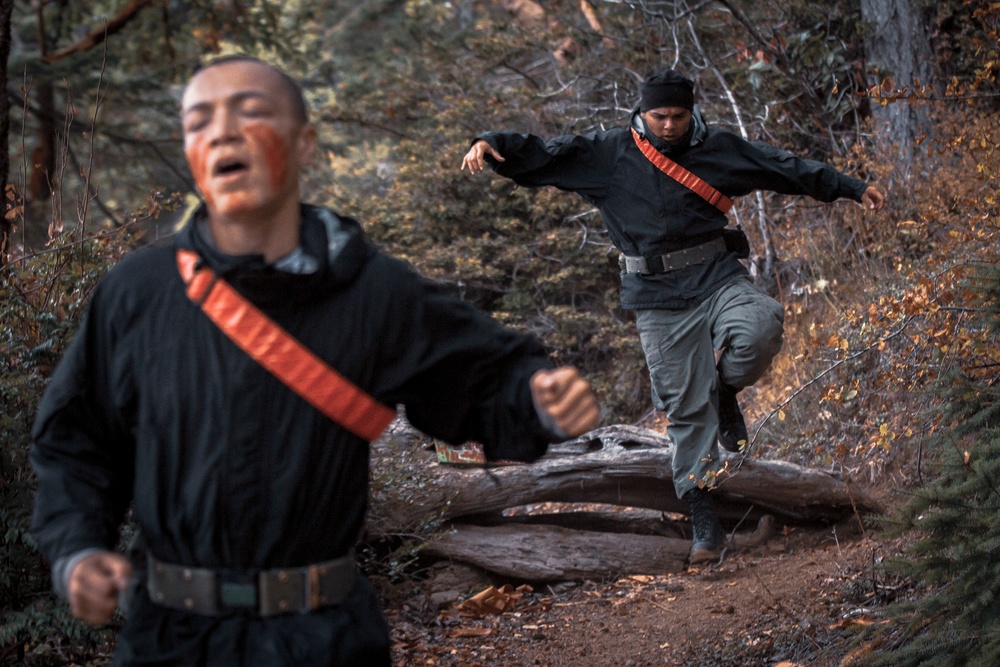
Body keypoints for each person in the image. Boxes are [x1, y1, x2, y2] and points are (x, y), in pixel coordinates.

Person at [29, 55, 600, 667]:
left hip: (321, 638)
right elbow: (77, 439)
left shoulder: (371, 290)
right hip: (168, 638)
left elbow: (484, 376)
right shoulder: (138, 292)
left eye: (250, 112)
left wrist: (538, 398)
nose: (221, 131)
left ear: (305, 144)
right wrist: (77, 550)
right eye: (199, 121)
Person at [461, 69, 885, 565]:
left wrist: (850, 187)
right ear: (641, 112)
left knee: (761, 326)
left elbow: (780, 166)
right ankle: (704, 519)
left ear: (691, 112)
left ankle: (725, 391)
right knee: (685, 410)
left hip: (716, 276)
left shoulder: (718, 148)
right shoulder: (608, 153)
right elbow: (545, 155)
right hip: (656, 297)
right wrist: (491, 144)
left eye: (677, 116)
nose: (667, 125)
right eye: (658, 115)